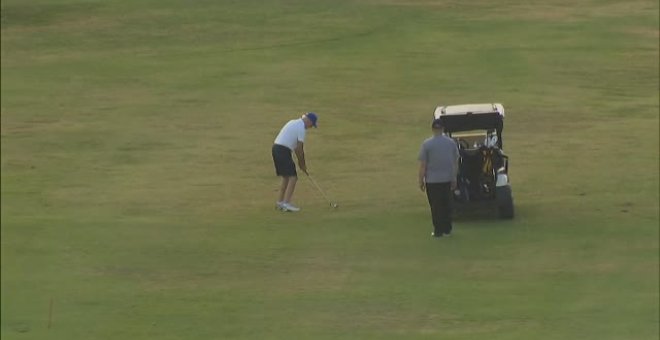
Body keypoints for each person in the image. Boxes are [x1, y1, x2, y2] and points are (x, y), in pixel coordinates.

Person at [418, 118, 459, 237]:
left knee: (436, 206)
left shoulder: (427, 144)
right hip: (446, 179)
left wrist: (421, 180)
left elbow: (423, 165)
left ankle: (438, 231)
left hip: (432, 181)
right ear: (443, 129)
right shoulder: (451, 143)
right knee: (447, 205)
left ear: (432, 129)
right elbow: (455, 162)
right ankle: (447, 229)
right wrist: (454, 177)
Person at [272, 112, 318, 212]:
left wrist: (301, 164)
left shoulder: (293, 122)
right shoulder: (301, 128)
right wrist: (302, 164)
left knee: (286, 177)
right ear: (309, 121)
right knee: (293, 177)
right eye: (311, 125)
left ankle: (280, 202)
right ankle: (286, 203)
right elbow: (299, 149)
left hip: (276, 148)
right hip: (283, 150)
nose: (310, 127)